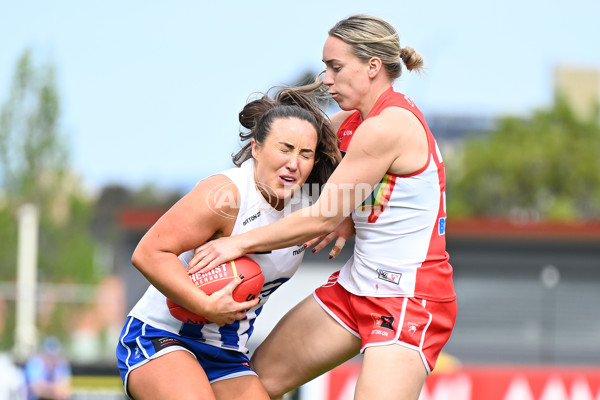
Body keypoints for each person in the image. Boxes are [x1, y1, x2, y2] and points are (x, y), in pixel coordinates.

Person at [188, 14, 457, 400]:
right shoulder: (353, 121)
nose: (326, 79)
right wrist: (350, 212)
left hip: (409, 298)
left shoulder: (387, 125)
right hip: (358, 286)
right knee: (249, 386)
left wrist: (237, 244)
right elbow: (304, 165)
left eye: (335, 67)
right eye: (325, 68)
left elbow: (321, 215)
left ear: (372, 67)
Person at [115, 85, 341, 400]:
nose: (294, 163)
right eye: (285, 148)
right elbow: (149, 253)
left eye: (306, 154)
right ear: (257, 148)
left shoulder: (310, 209)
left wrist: (343, 223)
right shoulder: (226, 195)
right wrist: (204, 305)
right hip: (161, 336)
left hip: (225, 354)